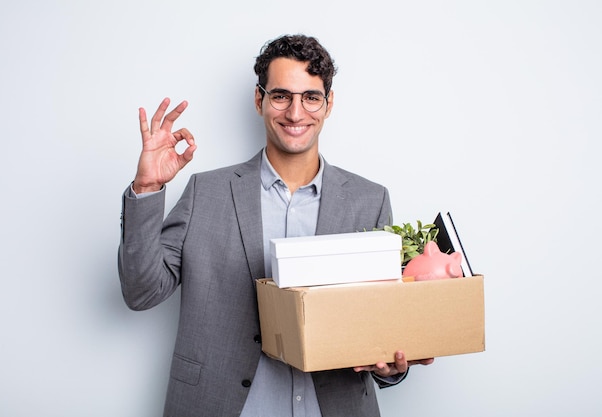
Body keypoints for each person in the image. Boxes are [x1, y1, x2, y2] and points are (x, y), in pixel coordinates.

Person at [118, 34, 433, 417]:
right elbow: (141, 292)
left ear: (328, 103)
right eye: (281, 95)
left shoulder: (370, 200)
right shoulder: (207, 191)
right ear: (259, 100)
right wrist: (148, 188)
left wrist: (390, 367)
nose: (296, 113)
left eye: (311, 97)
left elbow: (382, 324)